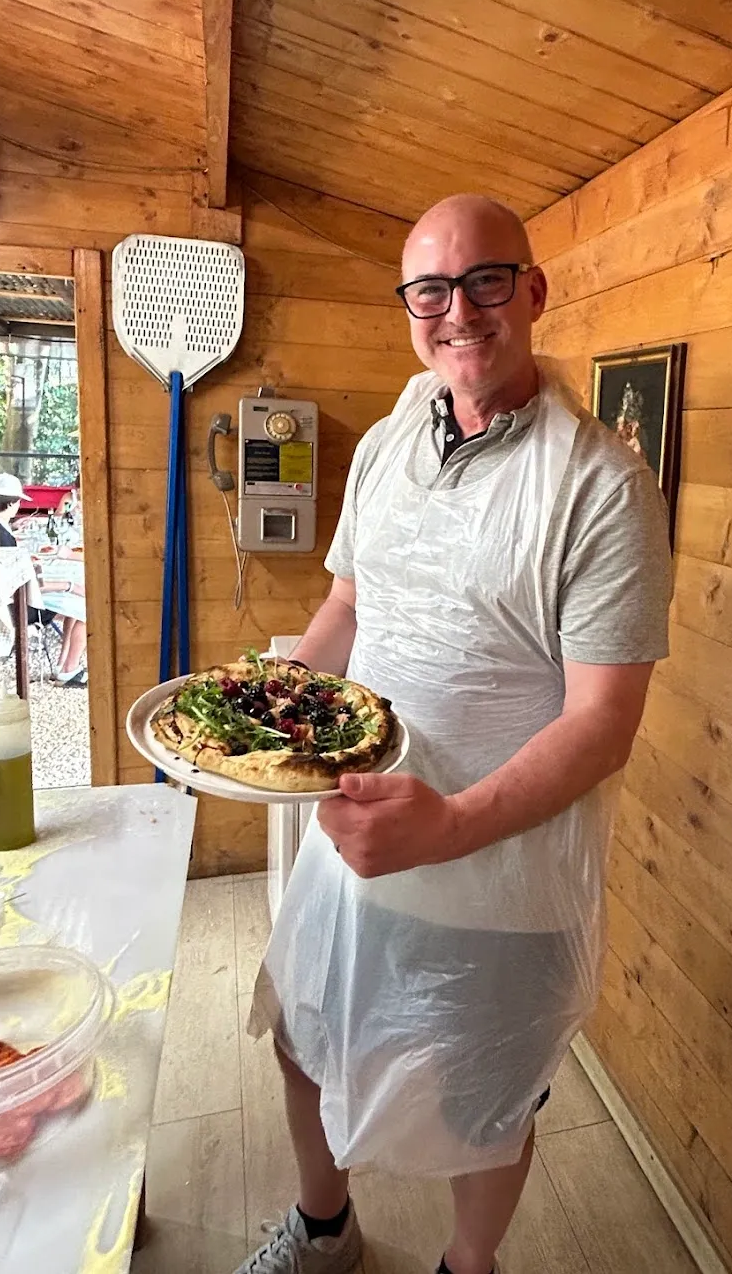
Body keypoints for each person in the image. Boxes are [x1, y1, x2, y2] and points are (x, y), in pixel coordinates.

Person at [242, 194, 673, 1274]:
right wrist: (273, 701)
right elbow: (347, 607)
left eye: (486, 279)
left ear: (532, 290)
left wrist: (448, 827)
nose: (458, 310)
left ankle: (466, 1267)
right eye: (430, 289)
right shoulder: (389, 443)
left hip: (502, 876)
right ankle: (323, 1228)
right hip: (353, 840)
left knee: (484, 1097)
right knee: (304, 1035)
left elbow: (603, 724)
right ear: (408, 309)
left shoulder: (602, 487)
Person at [0, 473, 85, 684]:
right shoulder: (3, 537)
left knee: (77, 599)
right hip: (14, 607)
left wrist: (14, 527)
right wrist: (68, 586)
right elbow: (20, 584)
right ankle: (69, 669)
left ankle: (63, 664)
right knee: (85, 605)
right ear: (11, 503)